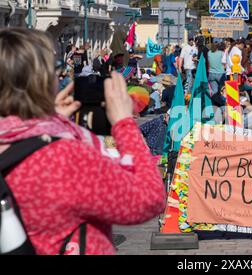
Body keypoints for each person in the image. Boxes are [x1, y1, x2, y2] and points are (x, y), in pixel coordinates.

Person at [0, 28, 165, 255]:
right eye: (56, 70)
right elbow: (149, 199)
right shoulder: (59, 158)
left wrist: (51, 120)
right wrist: (124, 124)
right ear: (40, 80)